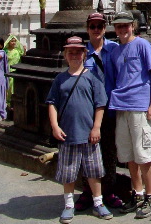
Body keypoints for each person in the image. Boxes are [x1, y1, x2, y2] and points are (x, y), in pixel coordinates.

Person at [46, 36, 113, 223]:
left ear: (84, 54)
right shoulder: (60, 79)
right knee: (68, 173)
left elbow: (100, 104)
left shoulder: (91, 78)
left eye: (78, 52)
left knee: (94, 171)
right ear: (66, 55)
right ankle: (68, 205)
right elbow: (52, 104)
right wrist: (55, 126)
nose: (74, 55)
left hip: (89, 134)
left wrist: (96, 127)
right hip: (68, 134)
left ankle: (98, 202)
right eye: (71, 52)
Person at [109, 10, 151, 219]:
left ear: (133, 26)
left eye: (126, 25)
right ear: (115, 28)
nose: (122, 29)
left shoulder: (142, 45)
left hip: (140, 106)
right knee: (129, 155)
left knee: (144, 155)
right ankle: (137, 193)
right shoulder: (115, 51)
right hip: (121, 106)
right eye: (118, 26)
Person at [74, 12, 122, 212]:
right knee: (88, 153)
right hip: (88, 110)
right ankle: (88, 191)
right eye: (92, 26)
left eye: (99, 26)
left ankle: (109, 190)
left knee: (109, 151)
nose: (96, 30)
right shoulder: (81, 53)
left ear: (105, 28)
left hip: (111, 109)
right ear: (87, 29)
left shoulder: (115, 49)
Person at [4, 34, 23, 108]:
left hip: (16, 71)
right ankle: (9, 103)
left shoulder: (18, 51)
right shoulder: (5, 52)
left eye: (15, 41)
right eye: (12, 41)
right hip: (8, 71)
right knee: (9, 88)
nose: (13, 43)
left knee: (15, 88)